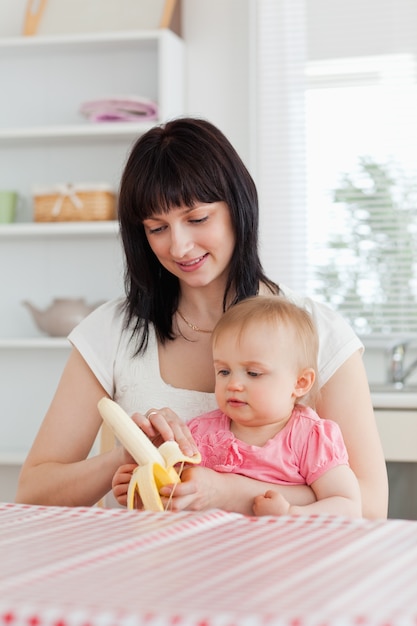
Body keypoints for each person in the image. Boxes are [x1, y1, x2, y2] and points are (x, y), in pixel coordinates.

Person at [15, 117, 388, 518]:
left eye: (196, 219)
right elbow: (33, 492)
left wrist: (230, 492)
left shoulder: (316, 330)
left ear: (237, 207)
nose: (179, 245)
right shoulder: (113, 331)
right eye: (157, 227)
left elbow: (368, 507)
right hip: (149, 572)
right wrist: (120, 458)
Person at [112, 295, 362, 518]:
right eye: (223, 371)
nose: (233, 384)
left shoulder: (310, 437)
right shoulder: (200, 434)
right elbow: (178, 498)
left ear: (300, 382)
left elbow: (348, 505)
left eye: (253, 373)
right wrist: (145, 489)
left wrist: (291, 513)